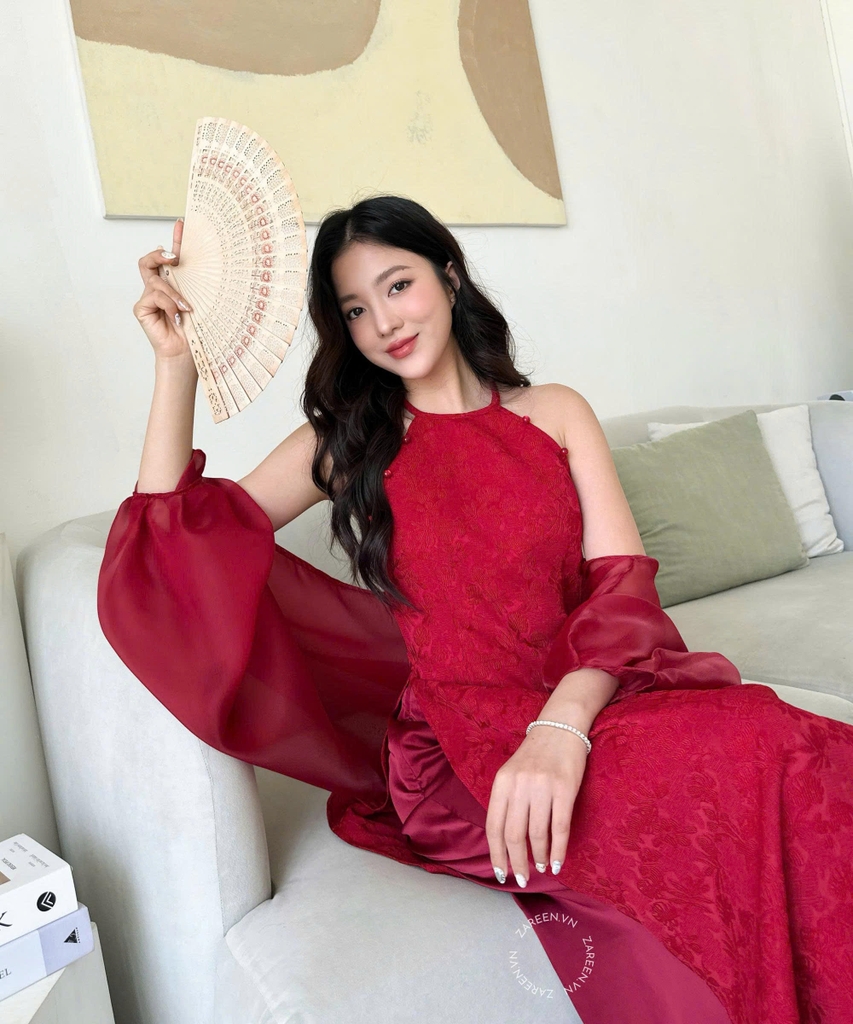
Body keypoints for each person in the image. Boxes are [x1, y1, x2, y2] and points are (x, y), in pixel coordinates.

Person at [98, 196, 853, 1024]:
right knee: (745, 771)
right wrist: (176, 367)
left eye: (398, 285)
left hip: (584, 708)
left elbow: (621, 587)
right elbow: (176, 549)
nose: (384, 322)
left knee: (785, 740)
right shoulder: (349, 443)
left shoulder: (555, 411)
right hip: (458, 757)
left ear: (449, 277)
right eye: (355, 309)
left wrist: (562, 726)